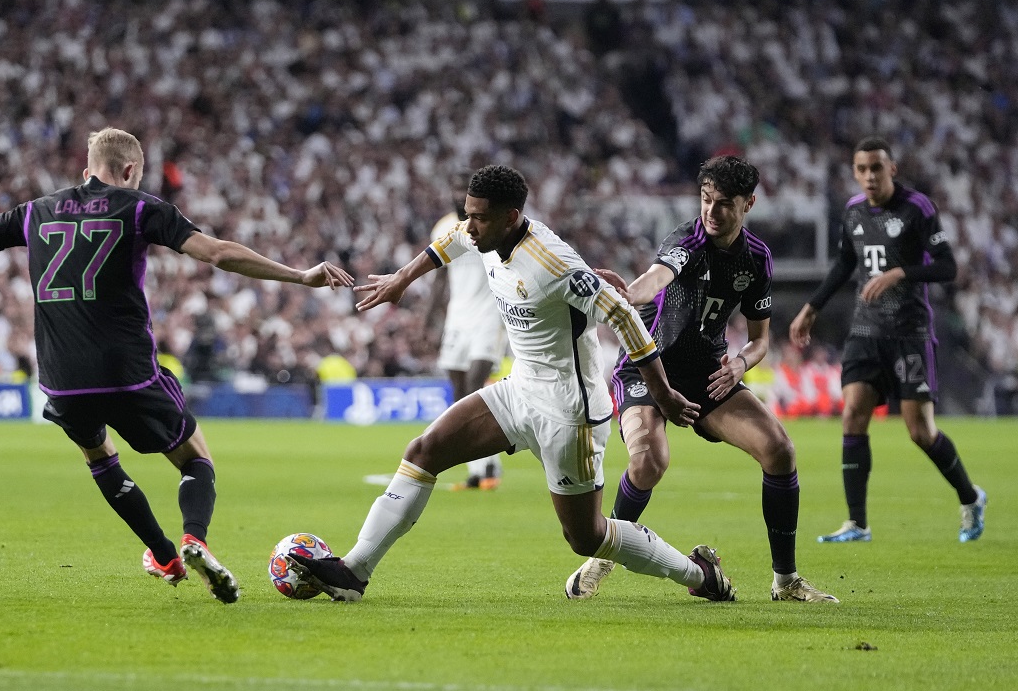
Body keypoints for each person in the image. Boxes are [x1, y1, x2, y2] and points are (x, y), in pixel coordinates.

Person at [0, 127, 355, 602]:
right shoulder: (140, 207)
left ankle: (163, 556)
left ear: (86, 171)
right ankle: (194, 541)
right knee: (195, 458)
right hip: (126, 371)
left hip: (62, 379)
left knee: (100, 457)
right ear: (128, 171)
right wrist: (300, 276)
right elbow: (219, 254)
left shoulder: (35, 212)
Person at [286, 164, 735, 603]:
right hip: (520, 389)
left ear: (511, 217)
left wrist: (663, 394)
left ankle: (700, 574)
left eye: (480, 217)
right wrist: (402, 279)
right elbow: (448, 241)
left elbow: (622, 314)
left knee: (586, 536)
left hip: (568, 409)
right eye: (468, 213)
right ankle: (354, 571)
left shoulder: (554, 263)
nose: (471, 226)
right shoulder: (481, 232)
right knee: (424, 451)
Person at [565, 156, 838, 604]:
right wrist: (627, 293)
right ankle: (602, 556)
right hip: (649, 366)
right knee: (650, 460)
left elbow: (759, 340)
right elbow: (656, 278)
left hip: (708, 374)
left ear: (748, 204)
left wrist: (741, 364)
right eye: (706, 200)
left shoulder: (757, 260)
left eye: (723, 204)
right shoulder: (687, 240)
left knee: (780, 451)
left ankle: (786, 580)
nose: (710, 212)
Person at [789, 136, 986, 543]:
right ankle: (857, 523)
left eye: (876, 168)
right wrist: (812, 307)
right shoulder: (853, 212)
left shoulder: (918, 209)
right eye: (861, 169)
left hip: (909, 332)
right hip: (865, 332)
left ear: (892, 169)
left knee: (920, 431)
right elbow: (845, 263)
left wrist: (901, 273)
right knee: (853, 413)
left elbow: (947, 267)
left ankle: (970, 497)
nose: (868, 176)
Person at [428, 190, 509, 490]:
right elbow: (438, 275)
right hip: (457, 319)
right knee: (460, 397)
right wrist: (428, 320)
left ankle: (487, 464)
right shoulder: (444, 229)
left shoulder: (494, 227)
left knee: (475, 388)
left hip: (489, 317)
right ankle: (481, 467)